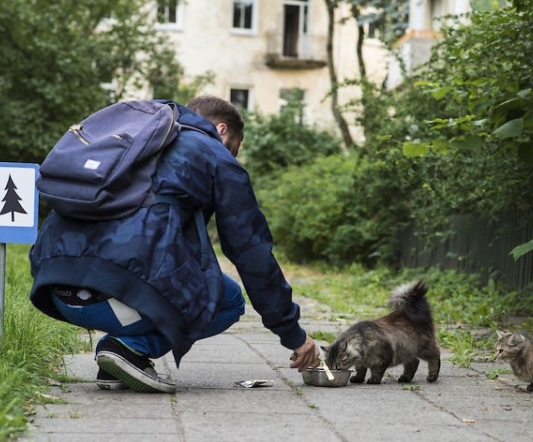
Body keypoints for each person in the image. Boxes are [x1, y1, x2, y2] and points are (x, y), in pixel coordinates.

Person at [28, 96, 320, 393]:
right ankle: (127, 348)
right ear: (221, 130)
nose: (232, 155)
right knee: (230, 300)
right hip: (115, 295)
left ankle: (116, 361)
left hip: (55, 290)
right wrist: (292, 333)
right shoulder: (213, 155)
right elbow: (251, 251)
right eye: (234, 148)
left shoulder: (137, 137)